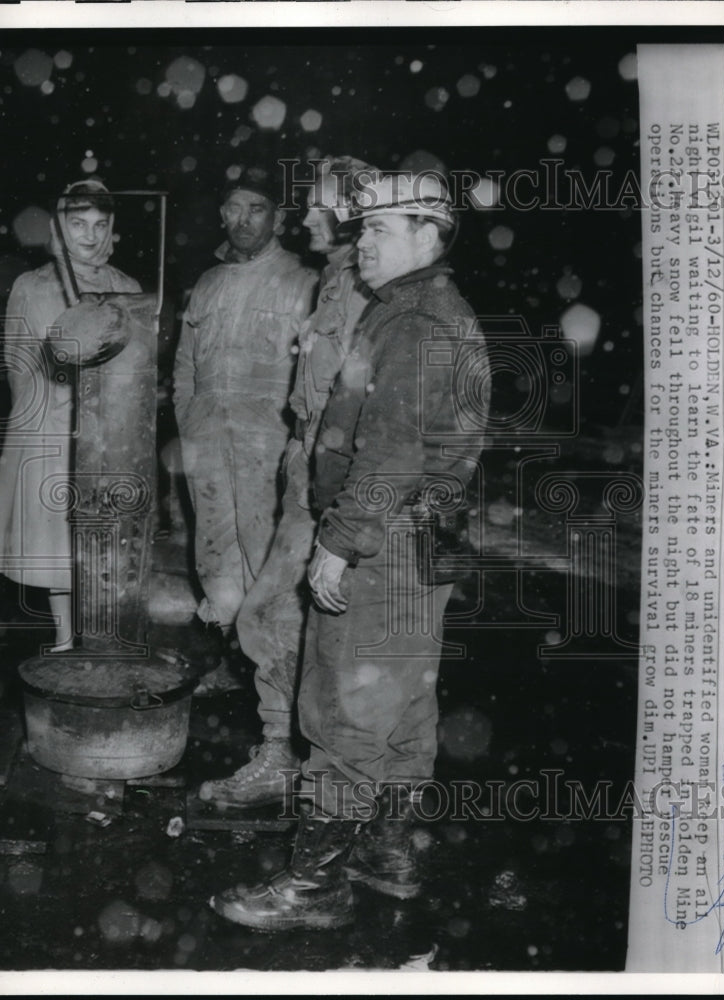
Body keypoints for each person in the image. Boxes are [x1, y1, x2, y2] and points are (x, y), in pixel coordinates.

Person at [210, 172, 489, 931]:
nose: (359, 240)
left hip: (387, 543)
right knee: (404, 707)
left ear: (428, 235)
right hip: (429, 541)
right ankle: (388, 854)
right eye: (359, 228)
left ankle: (312, 886)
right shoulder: (429, 311)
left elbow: (392, 452)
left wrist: (338, 544)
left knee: (342, 710)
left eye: (378, 230)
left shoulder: (413, 322)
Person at [199, 156, 377, 809]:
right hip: (308, 465)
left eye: (317, 207)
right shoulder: (335, 281)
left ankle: (303, 765)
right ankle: (296, 757)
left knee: (279, 611)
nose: (303, 217)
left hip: (335, 474)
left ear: (353, 214)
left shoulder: (361, 289)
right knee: (289, 614)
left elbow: (367, 401)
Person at [173, 166, 317, 690]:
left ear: (279, 218)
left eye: (256, 209)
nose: (243, 220)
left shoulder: (304, 282)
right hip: (207, 442)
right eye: (233, 208)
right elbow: (185, 367)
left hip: (269, 446)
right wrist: (189, 422)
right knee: (214, 553)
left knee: (268, 559)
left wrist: (295, 443)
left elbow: (315, 375)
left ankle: (279, 681)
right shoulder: (208, 284)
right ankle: (234, 665)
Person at [0, 179, 141, 651]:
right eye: (78, 224)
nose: (89, 235)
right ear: (61, 225)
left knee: (104, 533)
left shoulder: (126, 288)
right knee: (57, 538)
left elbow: (137, 368)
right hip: (53, 428)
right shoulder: (34, 285)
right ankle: (64, 635)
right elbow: (19, 366)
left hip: (112, 430)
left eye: (100, 225)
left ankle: (104, 633)